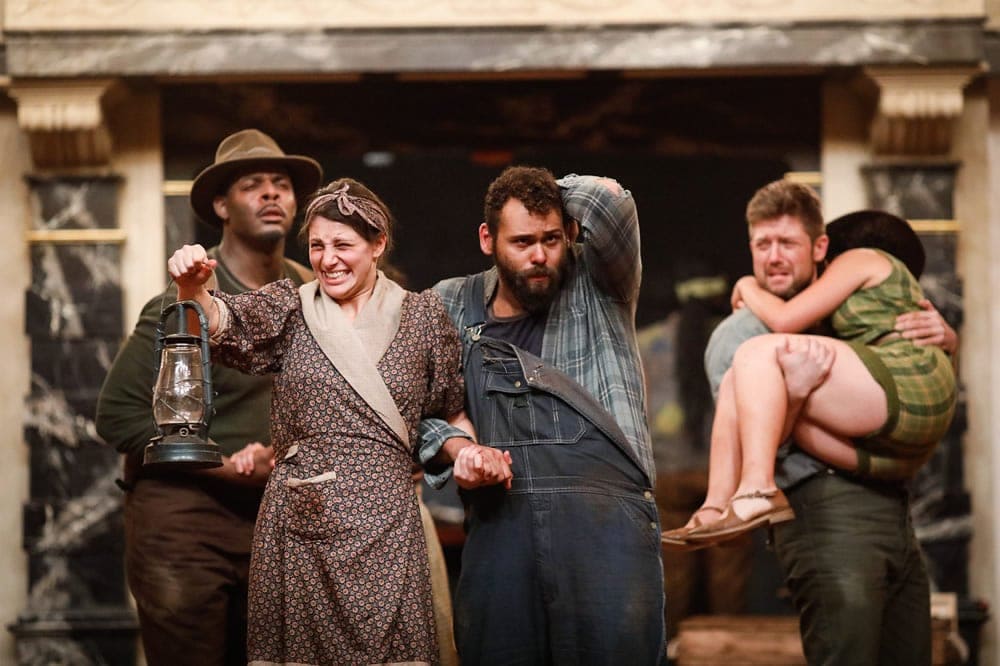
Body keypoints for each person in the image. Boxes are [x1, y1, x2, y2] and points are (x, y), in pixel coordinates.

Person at [167, 176, 509, 666]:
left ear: (378, 245)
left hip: (388, 525)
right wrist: (191, 285)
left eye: (343, 245)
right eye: (317, 246)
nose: (328, 260)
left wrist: (470, 452)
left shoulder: (423, 317)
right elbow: (220, 321)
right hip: (300, 527)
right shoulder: (290, 307)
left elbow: (447, 408)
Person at [673, 179, 957, 665]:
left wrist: (943, 339)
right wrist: (797, 394)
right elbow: (757, 444)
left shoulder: (839, 319)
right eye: (763, 245)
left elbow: (895, 406)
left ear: (819, 249)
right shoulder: (742, 332)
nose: (775, 257)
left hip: (891, 508)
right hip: (827, 516)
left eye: (789, 243)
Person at [418, 166, 665, 665]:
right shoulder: (448, 304)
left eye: (551, 239)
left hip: (605, 524)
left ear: (569, 232)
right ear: (487, 238)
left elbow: (611, 204)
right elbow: (413, 409)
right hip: (500, 529)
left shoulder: (600, 283)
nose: (539, 257)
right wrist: (458, 449)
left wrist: (550, 191)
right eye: (523, 241)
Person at [95, 128, 321, 666]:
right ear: (221, 205)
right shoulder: (182, 303)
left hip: (282, 521)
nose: (272, 195)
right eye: (253, 185)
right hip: (186, 523)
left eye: (282, 184)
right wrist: (222, 464)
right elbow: (117, 415)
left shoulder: (315, 293)